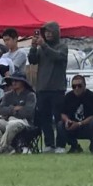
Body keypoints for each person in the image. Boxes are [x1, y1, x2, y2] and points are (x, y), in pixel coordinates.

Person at [27, 21, 68, 153]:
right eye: (46, 32)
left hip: (57, 88)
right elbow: (33, 60)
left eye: (51, 32)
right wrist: (33, 47)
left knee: (58, 118)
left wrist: (43, 45)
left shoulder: (62, 47)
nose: (48, 35)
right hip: (42, 88)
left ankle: (60, 144)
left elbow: (57, 57)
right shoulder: (41, 49)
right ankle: (49, 144)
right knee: (45, 118)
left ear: (56, 33)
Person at [0, 72, 37, 155]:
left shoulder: (30, 95)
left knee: (12, 123)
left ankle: (2, 148)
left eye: (17, 81)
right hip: (7, 120)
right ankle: (8, 148)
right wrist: (14, 108)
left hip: (24, 122)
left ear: (23, 82)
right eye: (12, 81)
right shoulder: (8, 95)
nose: (14, 83)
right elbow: (1, 109)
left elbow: (27, 112)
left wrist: (9, 111)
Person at [56, 74, 93, 153]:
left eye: (79, 86)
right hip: (72, 126)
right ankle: (74, 146)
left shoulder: (92, 97)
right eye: (74, 86)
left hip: (86, 126)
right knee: (60, 124)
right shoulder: (68, 97)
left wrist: (79, 123)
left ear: (84, 85)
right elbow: (62, 113)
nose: (77, 88)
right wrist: (67, 120)